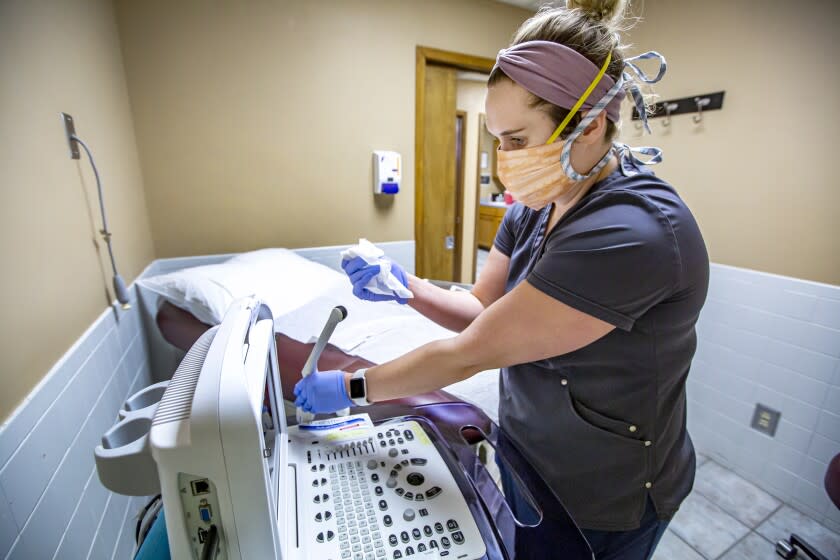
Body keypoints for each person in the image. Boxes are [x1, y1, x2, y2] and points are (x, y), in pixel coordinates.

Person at [295, 1, 709, 558]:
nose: (501, 161)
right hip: (528, 449)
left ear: (590, 127)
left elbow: (471, 351)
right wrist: (407, 284)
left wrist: (350, 388)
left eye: (517, 139)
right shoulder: (536, 205)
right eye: (497, 139)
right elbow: (483, 311)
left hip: (605, 490)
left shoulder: (631, 232)